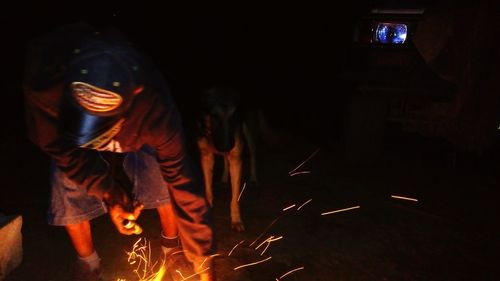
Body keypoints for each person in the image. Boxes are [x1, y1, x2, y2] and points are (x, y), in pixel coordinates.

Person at [23, 22, 216, 281]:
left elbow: (183, 182)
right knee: (65, 176)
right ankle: (88, 263)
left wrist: (202, 258)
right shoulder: (44, 88)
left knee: (158, 172)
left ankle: (172, 247)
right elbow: (61, 150)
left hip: (137, 128)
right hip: (67, 127)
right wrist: (111, 193)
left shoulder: (155, 111)